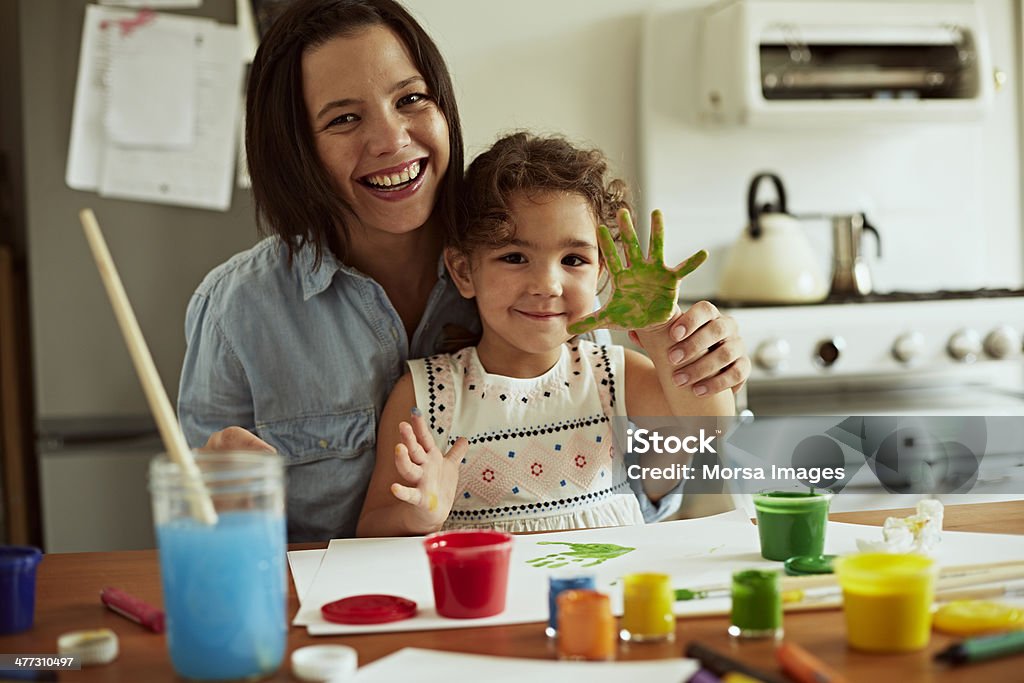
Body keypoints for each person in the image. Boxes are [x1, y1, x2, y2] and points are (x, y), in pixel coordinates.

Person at [177, 0, 750, 542]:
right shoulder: (237, 310)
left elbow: (677, 464)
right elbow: (209, 535)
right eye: (345, 118)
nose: (391, 140)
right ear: (298, 150)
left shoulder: (564, 315)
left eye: (410, 99)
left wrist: (692, 360)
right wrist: (220, 505)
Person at [356, 133, 739, 536]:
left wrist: (663, 330)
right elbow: (371, 528)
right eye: (514, 257)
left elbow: (709, 429)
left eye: (573, 259)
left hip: (605, 595)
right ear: (465, 271)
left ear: (602, 273)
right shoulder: (424, 395)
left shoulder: (615, 375)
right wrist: (420, 515)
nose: (548, 284)